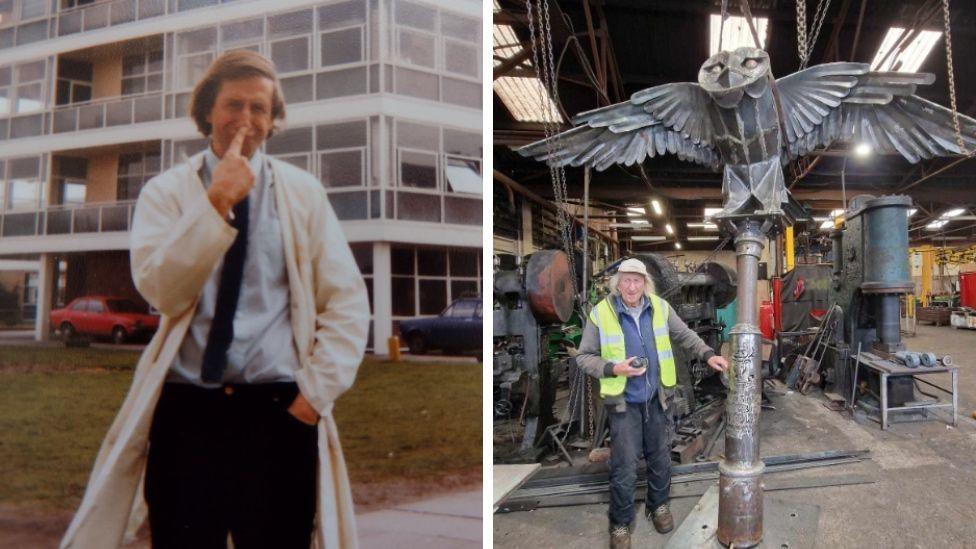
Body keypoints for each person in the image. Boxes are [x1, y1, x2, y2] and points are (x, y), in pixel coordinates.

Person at [61, 51, 370, 549]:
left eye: (259, 108)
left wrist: (311, 400)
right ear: (206, 110)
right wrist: (215, 203)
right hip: (188, 414)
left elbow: (347, 305)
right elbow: (162, 290)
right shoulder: (165, 193)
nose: (245, 120)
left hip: (278, 412)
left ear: (273, 120)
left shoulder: (303, 194)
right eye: (232, 105)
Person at [576, 258, 730, 549]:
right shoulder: (601, 313)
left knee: (660, 458)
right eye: (626, 281)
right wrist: (613, 368)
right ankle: (620, 524)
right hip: (623, 403)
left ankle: (657, 506)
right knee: (624, 467)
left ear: (645, 283)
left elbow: (684, 334)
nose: (631, 286)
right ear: (617, 283)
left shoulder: (660, 307)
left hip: (657, 399)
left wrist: (708, 353)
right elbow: (584, 357)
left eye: (637, 281)